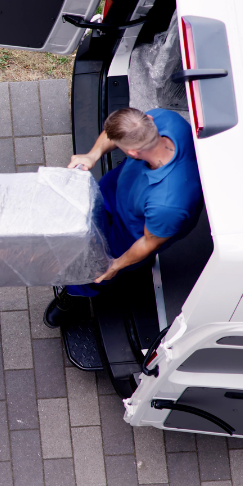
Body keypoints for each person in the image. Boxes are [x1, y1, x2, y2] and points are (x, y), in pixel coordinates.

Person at [44, 107, 204, 327]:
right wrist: (93, 155)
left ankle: (77, 293)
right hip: (117, 190)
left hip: (130, 232)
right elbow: (114, 133)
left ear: (132, 154)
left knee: (95, 268)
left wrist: (115, 265)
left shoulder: (169, 203)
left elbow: (148, 242)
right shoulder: (164, 119)